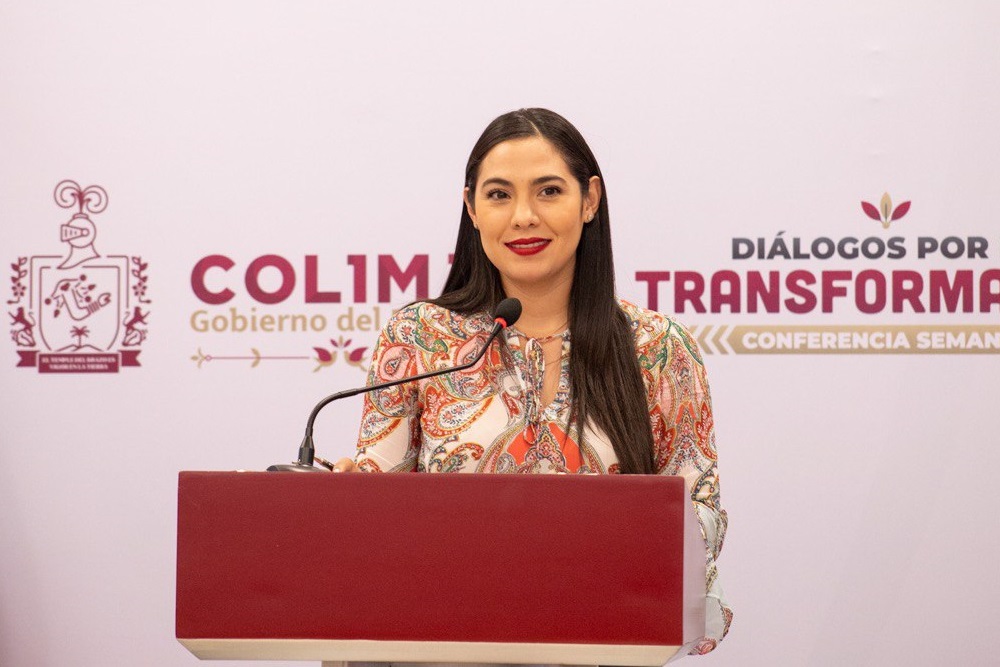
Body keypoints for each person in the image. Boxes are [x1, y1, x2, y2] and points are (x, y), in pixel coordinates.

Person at [334, 108, 731, 655]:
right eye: (499, 195)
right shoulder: (419, 338)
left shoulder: (658, 347)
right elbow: (379, 504)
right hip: (444, 646)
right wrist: (344, 499)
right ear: (471, 208)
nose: (523, 217)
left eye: (548, 191)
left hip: (602, 646)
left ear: (590, 200)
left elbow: (698, 515)